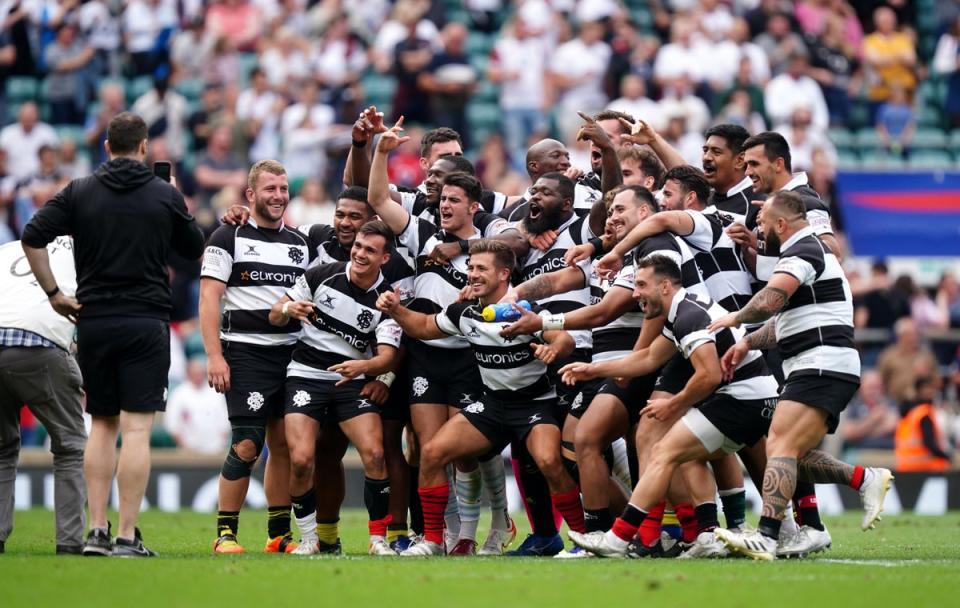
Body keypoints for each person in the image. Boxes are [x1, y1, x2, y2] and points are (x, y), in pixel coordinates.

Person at [21, 112, 205, 557]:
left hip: (94, 320)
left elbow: (32, 235)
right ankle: (127, 536)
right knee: (137, 429)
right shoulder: (162, 194)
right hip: (145, 321)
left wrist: (54, 294)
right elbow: (194, 251)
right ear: (145, 148)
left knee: (101, 425)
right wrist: (176, 202)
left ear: (106, 146)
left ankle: (96, 532)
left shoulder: (80, 190)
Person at [707, 191, 893, 561]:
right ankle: (864, 479)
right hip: (820, 362)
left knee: (778, 444)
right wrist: (747, 344)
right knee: (790, 451)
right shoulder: (806, 254)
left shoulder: (802, 250)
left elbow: (770, 301)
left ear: (781, 224)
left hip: (821, 362)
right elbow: (785, 322)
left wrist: (734, 319)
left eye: (762, 224)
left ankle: (767, 535)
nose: (757, 230)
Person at [560, 255, 780, 558]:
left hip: (745, 400)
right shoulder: (680, 311)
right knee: (686, 454)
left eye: (640, 285)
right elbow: (649, 358)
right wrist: (594, 370)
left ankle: (618, 538)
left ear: (665, 286)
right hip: (753, 398)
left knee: (665, 451)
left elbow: (709, 374)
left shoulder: (688, 316)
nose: (635, 293)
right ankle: (706, 534)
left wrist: (673, 405)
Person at [377, 239, 585, 556]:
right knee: (431, 452)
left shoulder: (523, 309)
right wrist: (395, 309)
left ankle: (583, 541)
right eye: (470, 267)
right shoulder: (466, 312)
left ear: (504, 274)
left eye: (480, 268)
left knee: (548, 461)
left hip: (533, 405)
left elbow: (564, 338)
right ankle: (433, 541)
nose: (472, 274)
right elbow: (422, 327)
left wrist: (553, 349)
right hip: (492, 405)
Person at [369, 124, 516, 556]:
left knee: (465, 453)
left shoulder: (488, 244)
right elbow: (378, 199)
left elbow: (519, 240)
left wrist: (465, 248)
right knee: (429, 450)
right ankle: (445, 535)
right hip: (424, 355)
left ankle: (486, 527)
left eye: (454, 200)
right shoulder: (421, 232)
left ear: (474, 206)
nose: (445, 205)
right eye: (442, 199)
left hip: (470, 356)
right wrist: (381, 151)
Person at [200, 160, 316, 555]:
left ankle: (278, 533)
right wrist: (214, 355)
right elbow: (209, 297)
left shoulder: (300, 244)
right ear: (250, 195)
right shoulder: (225, 236)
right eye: (270, 189)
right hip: (245, 353)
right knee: (248, 443)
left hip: (293, 354)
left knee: (284, 444)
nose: (279, 196)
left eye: (283, 188)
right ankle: (226, 534)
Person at [268, 220, 402, 556]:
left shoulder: (386, 300)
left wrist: (364, 367)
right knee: (300, 459)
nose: (359, 253)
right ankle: (310, 539)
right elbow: (274, 314)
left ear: (384, 258)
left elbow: (387, 356)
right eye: (357, 246)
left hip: (350, 381)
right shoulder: (321, 274)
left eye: (370, 250)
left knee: (374, 454)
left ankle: (376, 540)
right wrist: (288, 308)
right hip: (306, 375)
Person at [0, 237, 84, 555]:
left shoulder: (8, 247)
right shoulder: (85, 244)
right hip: (39, 341)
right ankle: (70, 541)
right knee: (70, 445)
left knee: (1, 449)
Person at [163, 358, 230, 455]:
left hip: (215, 450)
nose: (198, 376)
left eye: (200, 373)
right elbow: (172, 424)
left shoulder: (216, 392)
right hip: (188, 452)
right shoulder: (178, 394)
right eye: (195, 373)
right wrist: (186, 447)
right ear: (188, 374)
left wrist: (220, 445)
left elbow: (225, 421)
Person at [895, 376, 952, 473]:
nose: (930, 391)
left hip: (904, 466)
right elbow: (929, 443)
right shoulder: (923, 413)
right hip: (924, 467)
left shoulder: (909, 411)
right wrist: (947, 457)